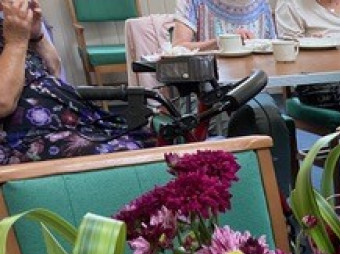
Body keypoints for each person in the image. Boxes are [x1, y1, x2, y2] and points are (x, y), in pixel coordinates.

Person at [0, 0, 153, 165]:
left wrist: (36, 36)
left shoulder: (9, 25)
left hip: (71, 124)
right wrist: (16, 42)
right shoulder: (14, 35)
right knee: (130, 155)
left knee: (149, 139)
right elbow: (3, 103)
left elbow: (55, 71)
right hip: (24, 141)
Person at [172, 0, 276, 51]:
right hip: (210, 87)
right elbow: (178, 48)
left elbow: (272, 48)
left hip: (255, 86)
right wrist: (220, 42)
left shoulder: (262, 4)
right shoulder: (193, 2)